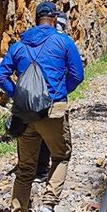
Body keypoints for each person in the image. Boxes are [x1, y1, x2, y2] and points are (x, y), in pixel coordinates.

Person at [0, 1, 84, 212]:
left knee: (25, 169)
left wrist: (19, 95)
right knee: (61, 156)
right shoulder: (64, 42)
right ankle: (45, 211)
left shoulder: (18, 45)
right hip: (52, 112)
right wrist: (58, 94)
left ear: (36, 20)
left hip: (25, 115)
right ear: (54, 19)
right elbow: (77, 75)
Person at [35, 10, 70, 184]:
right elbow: (76, 73)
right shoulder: (64, 41)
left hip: (31, 96)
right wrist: (63, 90)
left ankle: (37, 169)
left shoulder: (30, 40)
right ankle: (45, 173)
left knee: (35, 134)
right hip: (55, 96)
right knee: (59, 147)